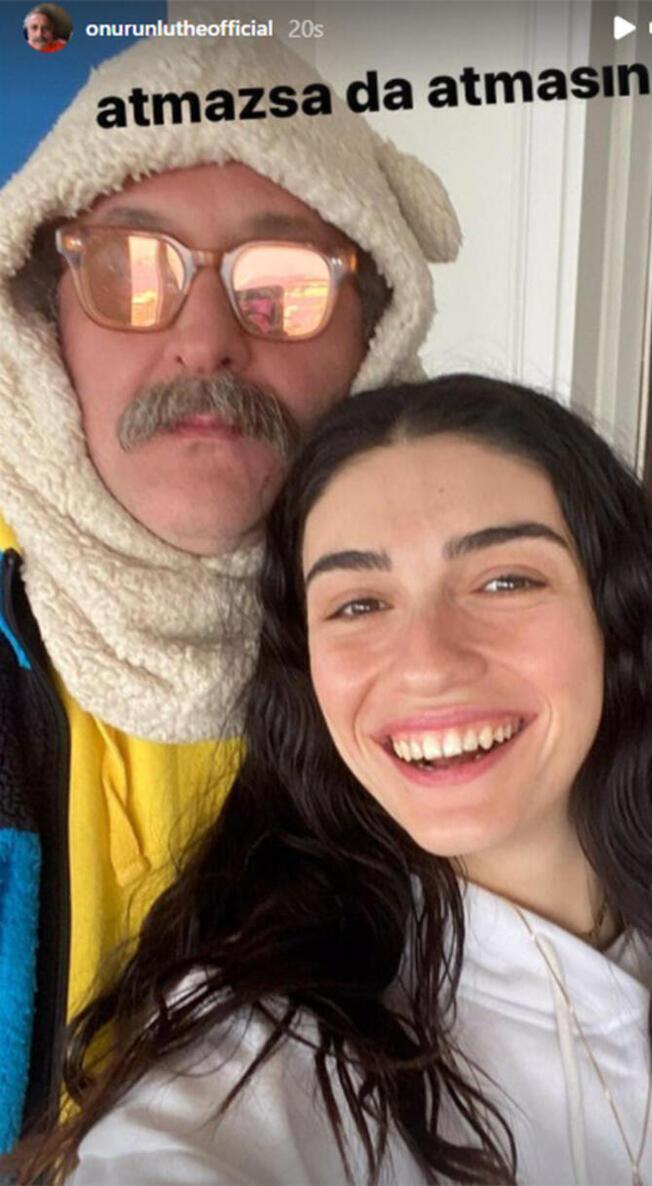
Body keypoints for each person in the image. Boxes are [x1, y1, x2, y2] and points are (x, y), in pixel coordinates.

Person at [12, 375, 652, 1185]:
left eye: (505, 581)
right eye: (359, 604)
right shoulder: (259, 1055)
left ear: (617, 615)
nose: (428, 664)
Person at [0, 33, 460, 1151]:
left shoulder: (479, 663)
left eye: (285, 281)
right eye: (127, 269)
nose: (204, 341)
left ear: (374, 332)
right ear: (45, 321)